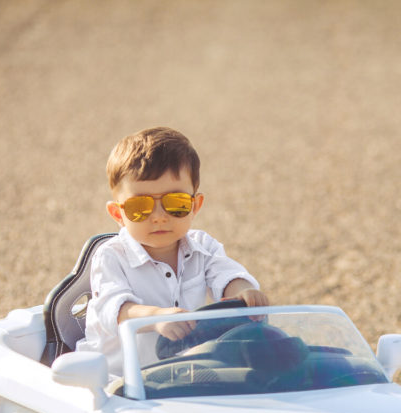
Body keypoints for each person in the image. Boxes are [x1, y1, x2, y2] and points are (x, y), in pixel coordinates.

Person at [77, 126, 268, 373]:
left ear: (195, 205)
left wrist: (244, 291)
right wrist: (156, 317)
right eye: (139, 207)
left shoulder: (203, 246)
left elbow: (225, 273)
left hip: (179, 373)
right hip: (115, 379)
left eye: (175, 203)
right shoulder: (111, 256)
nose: (158, 217)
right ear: (118, 214)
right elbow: (114, 310)